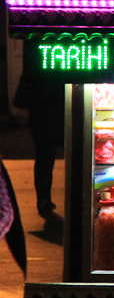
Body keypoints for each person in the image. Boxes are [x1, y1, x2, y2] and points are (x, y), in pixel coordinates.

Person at [12, 74, 65, 224]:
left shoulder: (36, 71)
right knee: (76, 158)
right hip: (61, 120)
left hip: (41, 122)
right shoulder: (63, 74)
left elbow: (20, 100)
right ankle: (79, 197)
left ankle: (43, 200)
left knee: (44, 160)